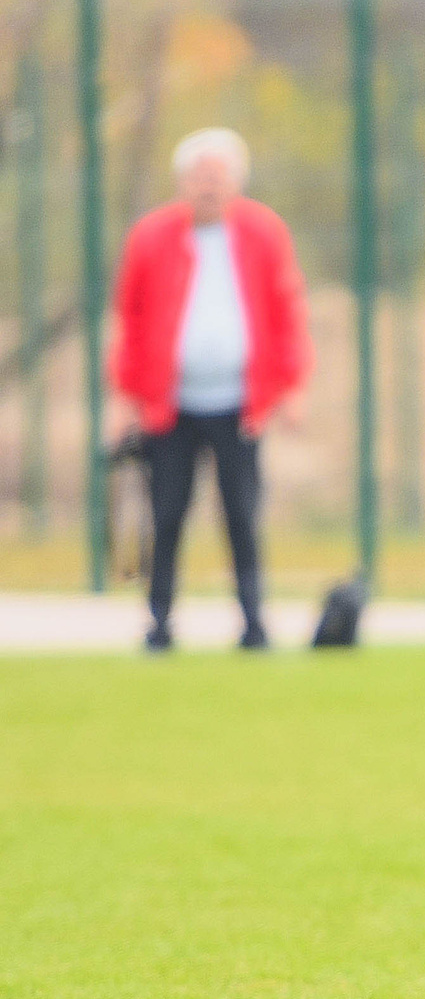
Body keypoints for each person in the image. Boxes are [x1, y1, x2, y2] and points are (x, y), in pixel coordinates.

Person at [111, 128, 309, 651]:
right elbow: (130, 321)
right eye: (198, 176)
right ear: (181, 182)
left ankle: (252, 620)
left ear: (236, 181)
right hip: (169, 404)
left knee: (241, 512)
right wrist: (126, 397)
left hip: (239, 403)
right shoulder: (151, 238)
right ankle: (159, 620)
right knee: (167, 511)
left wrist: (289, 388)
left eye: (217, 176)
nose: (207, 186)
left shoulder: (263, 234)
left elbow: (287, 313)